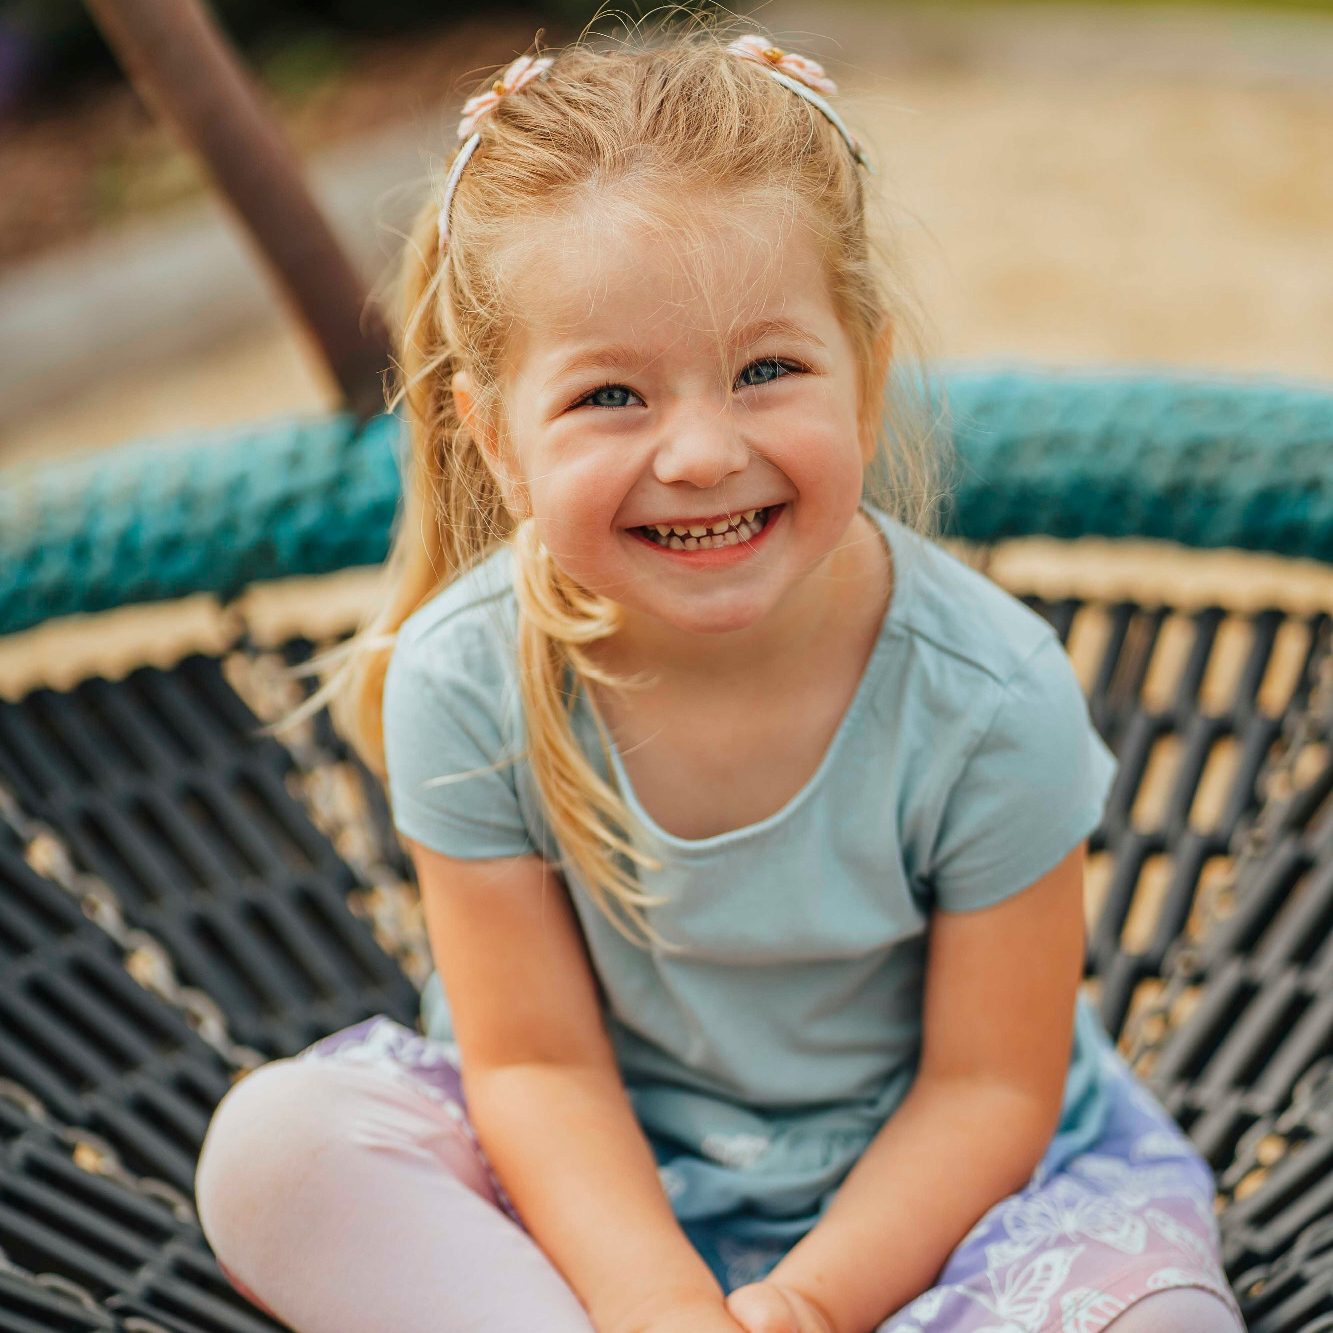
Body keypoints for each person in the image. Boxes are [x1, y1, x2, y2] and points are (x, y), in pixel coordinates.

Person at [193, 17, 1246, 1333]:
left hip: (947, 1198)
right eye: (608, 397)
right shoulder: (468, 679)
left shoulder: (988, 694)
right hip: (591, 1190)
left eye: (764, 371)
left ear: (861, 380)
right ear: (496, 439)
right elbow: (531, 1063)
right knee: (277, 1151)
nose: (699, 451)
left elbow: (988, 1089)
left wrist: (803, 1304)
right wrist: (653, 1305)